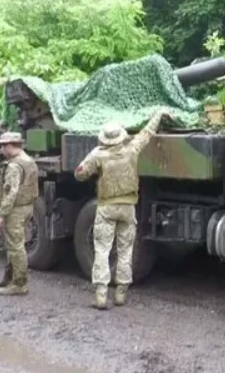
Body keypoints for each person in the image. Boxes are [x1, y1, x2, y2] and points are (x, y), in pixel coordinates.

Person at [73, 111, 170, 309]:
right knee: (125, 251)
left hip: (106, 208)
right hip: (128, 208)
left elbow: (80, 174)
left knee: (102, 250)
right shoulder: (131, 150)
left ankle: (101, 296)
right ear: (121, 136)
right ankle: (120, 294)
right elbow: (146, 133)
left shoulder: (97, 155)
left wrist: (87, 170)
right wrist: (158, 116)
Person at [0, 132, 38, 296]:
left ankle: (19, 283)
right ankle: (9, 277)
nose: (1, 149)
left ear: (10, 146)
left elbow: (11, 192)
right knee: (14, 244)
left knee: (16, 246)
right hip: (27, 207)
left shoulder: (14, 166)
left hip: (15, 210)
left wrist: (0, 214)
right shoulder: (28, 160)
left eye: (3, 146)